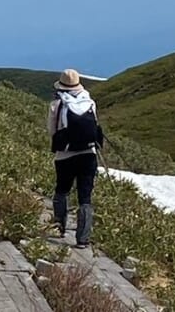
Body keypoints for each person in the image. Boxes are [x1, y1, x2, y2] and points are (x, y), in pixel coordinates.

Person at [48, 68, 103, 249]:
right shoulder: (90, 102)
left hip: (65, 155)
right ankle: (83, 238)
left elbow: (52, 130)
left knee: (62, 190)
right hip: (89, 154)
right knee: (85, 196)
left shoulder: (57, 104)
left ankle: (59, 227)